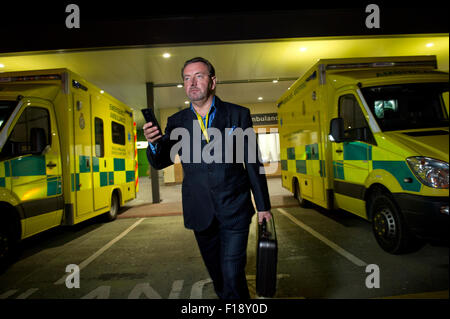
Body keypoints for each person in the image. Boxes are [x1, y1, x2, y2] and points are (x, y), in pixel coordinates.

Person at [143, 57, 272, 299]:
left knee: (233, 272)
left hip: (235, 209)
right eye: (186, 78)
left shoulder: (238, 115)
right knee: (219, 277)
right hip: (200, 211)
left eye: (199, 76)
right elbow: (162, 161)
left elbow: (253, 163)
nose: (192, 82)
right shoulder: (177, 122)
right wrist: (152, 144)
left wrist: (263, 206)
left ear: (213, 81)